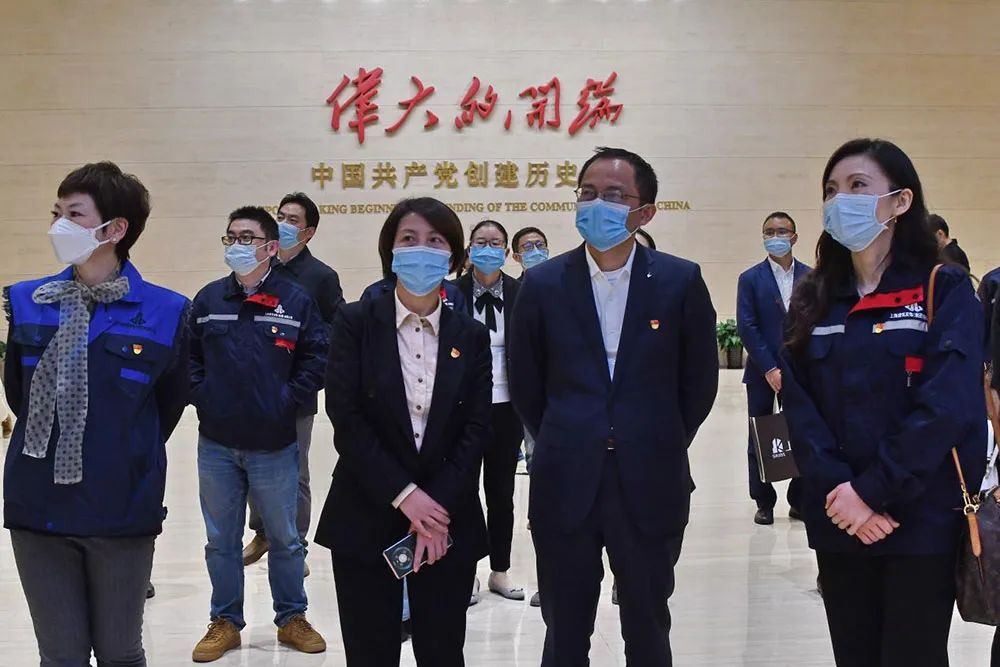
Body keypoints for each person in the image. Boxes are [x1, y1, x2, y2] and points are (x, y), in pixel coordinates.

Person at [510, 147, 719, 666]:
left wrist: (655, 434)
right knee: (563, 630)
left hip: (650, 478)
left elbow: (699, 382)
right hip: (565, 478)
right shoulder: (542, 284)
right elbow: (526, 382)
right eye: (587, 193)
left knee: (648, 626)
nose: (596, 204)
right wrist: (569, 432)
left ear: (645, 212)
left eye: (613, 195)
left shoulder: (680, 280)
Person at [781, 138, 985, 667]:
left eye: (857, 186)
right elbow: (800, 409)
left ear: (900, 201)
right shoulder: (814, 296)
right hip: (839, 518)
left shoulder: (943, 289)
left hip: (918, 521)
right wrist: (844, 495)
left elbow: (947, 407)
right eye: (831, 190)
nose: (839, 201)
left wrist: (872, 492)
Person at [3, 161, 190, 666]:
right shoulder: (27, 300)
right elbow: (20, 395)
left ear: (115, 229)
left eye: (74, 214)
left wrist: (117, 446)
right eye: (56, 213)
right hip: (38, 500)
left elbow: (166, 406)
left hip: (121, 503)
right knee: (60, 655)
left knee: (119, 653)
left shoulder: (167, 311)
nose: (58, 226)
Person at [314, 197, 491, 667]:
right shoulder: (355, 322)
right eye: (408, 239)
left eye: (435, 241)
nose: (421, 250)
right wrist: (406, 496)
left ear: (453, 257)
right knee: (370, 653)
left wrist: (434, 511)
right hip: (365, 511)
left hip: (446, 520)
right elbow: (346, 417)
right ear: (390, 252)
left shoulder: (470, 336)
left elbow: (476, 428)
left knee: (442, 651)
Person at [190, 206, 328, 662]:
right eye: (231, 236)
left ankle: (292, 618)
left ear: (270, 247)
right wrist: (204, 396)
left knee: (285, 538)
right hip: (217, 442)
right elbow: (188, 359)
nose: (237, 244)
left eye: (247, 237)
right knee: (220, 539)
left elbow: (317, 357)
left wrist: (287, 400)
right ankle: (225, 622)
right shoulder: (208, 300)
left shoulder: (295, 300)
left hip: (274, 443)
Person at [243, 192, 344, 576]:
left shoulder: (321, 277)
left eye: (292, 220)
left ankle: (295, 546)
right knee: (251, 463)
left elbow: (336, 332)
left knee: (294, 471)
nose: (283, 224)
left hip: (296, 389)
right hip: (253, 387)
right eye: (280, 216)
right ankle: (263, 533)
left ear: (308, 231)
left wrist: (305, 360)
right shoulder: (259, 266)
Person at [453, 220, 525, 601]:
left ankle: (500, 569)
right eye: (481, 242)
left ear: (506, 251)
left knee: (501, 491)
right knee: (462, 492)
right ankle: (466, 571)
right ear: (469, 249)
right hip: (463, 408)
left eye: (495, 242)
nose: (488, 248)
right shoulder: (451, 293)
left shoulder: (522, 292)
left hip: (507, 407)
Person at [736, 212, 811, 525]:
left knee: (803, 432)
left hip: (800, 371)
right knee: (759, 435)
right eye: (769, 231)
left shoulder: (811, 277)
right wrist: (769, 367)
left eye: (782, 231)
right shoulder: (750, 279)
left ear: (794, 237)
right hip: (761, 371)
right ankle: (763, 501)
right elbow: (747, 326)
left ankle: (799, 499)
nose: (775, 236)